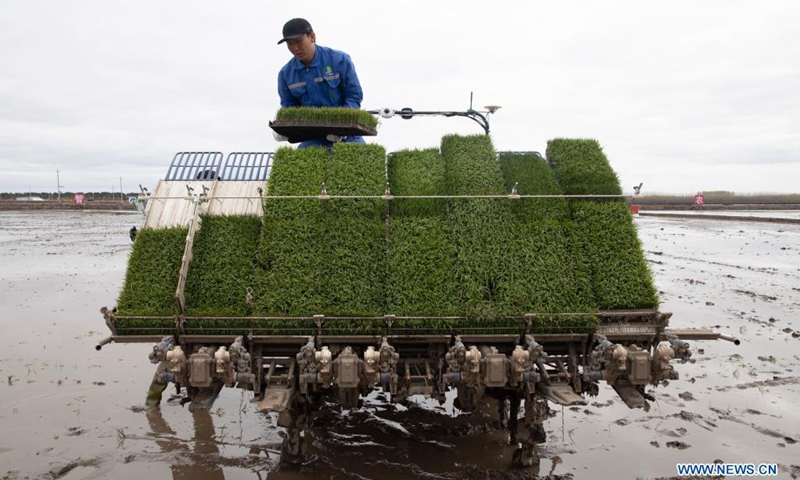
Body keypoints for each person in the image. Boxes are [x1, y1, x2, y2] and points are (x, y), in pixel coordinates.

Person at [275, 18, 365, 148]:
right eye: (289, 44)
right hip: (312, 139)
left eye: (298, 42)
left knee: (360, 161)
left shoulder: (339, 60)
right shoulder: (285, 74)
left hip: (347, 137)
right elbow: (289, 109)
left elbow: (354, 96)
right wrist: (285, 129)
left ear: (312, 37)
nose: (294, 48)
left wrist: (340, 127)